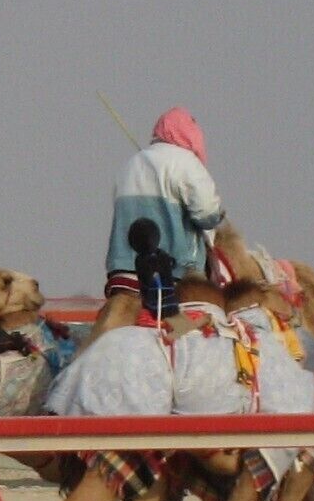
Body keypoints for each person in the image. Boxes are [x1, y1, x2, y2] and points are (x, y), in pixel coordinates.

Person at [88, 107, 226, 341]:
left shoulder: (130, 165)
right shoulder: (186, 163)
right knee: (200, 339)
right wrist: (218, 216)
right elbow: (207, 213)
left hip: (122, 273)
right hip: (173, 277)